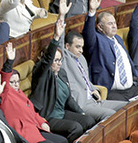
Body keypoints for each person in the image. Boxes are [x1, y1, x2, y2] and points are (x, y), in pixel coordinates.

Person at [30, 13, 95, 143]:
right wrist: (56, 37)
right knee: (76, 128)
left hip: (62, 112)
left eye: (60, 60)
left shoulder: (62, 73)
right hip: (48, 116)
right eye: (55, 60)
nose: (59, 63)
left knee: (89, 121)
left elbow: (69, 98)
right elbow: (47, 61)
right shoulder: (42, 73)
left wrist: (81, 112)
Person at [82, 0, 138, 101]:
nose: (114, 26)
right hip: (112, 91)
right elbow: (88, 33)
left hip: (132, 88)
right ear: (100, 27)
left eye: (114, 23)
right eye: (110, 24)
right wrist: (92, 11)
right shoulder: (97, 40)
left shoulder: (117, 38)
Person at [0, 43, 68, 143]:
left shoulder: (20, 93)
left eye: (18, 82)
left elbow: (33, 113)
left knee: (63, 141)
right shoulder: (5, 94)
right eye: (12, 82)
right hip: (24, 135)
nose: (16, 85)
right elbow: (4, 80)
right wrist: (9, 61)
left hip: (35, 128)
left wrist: (42, 122)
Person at [60, 26, 127, 122]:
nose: (81, 50)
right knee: (111, 115)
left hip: (95, 101)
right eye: (77, 47)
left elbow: (86, 80)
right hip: (82, 104)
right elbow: (58, 44)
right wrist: (61, 17)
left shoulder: (81, 58)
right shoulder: (64, 58)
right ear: (67, 46)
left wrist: (95, 89)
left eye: (82, 47)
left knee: (127, 106)